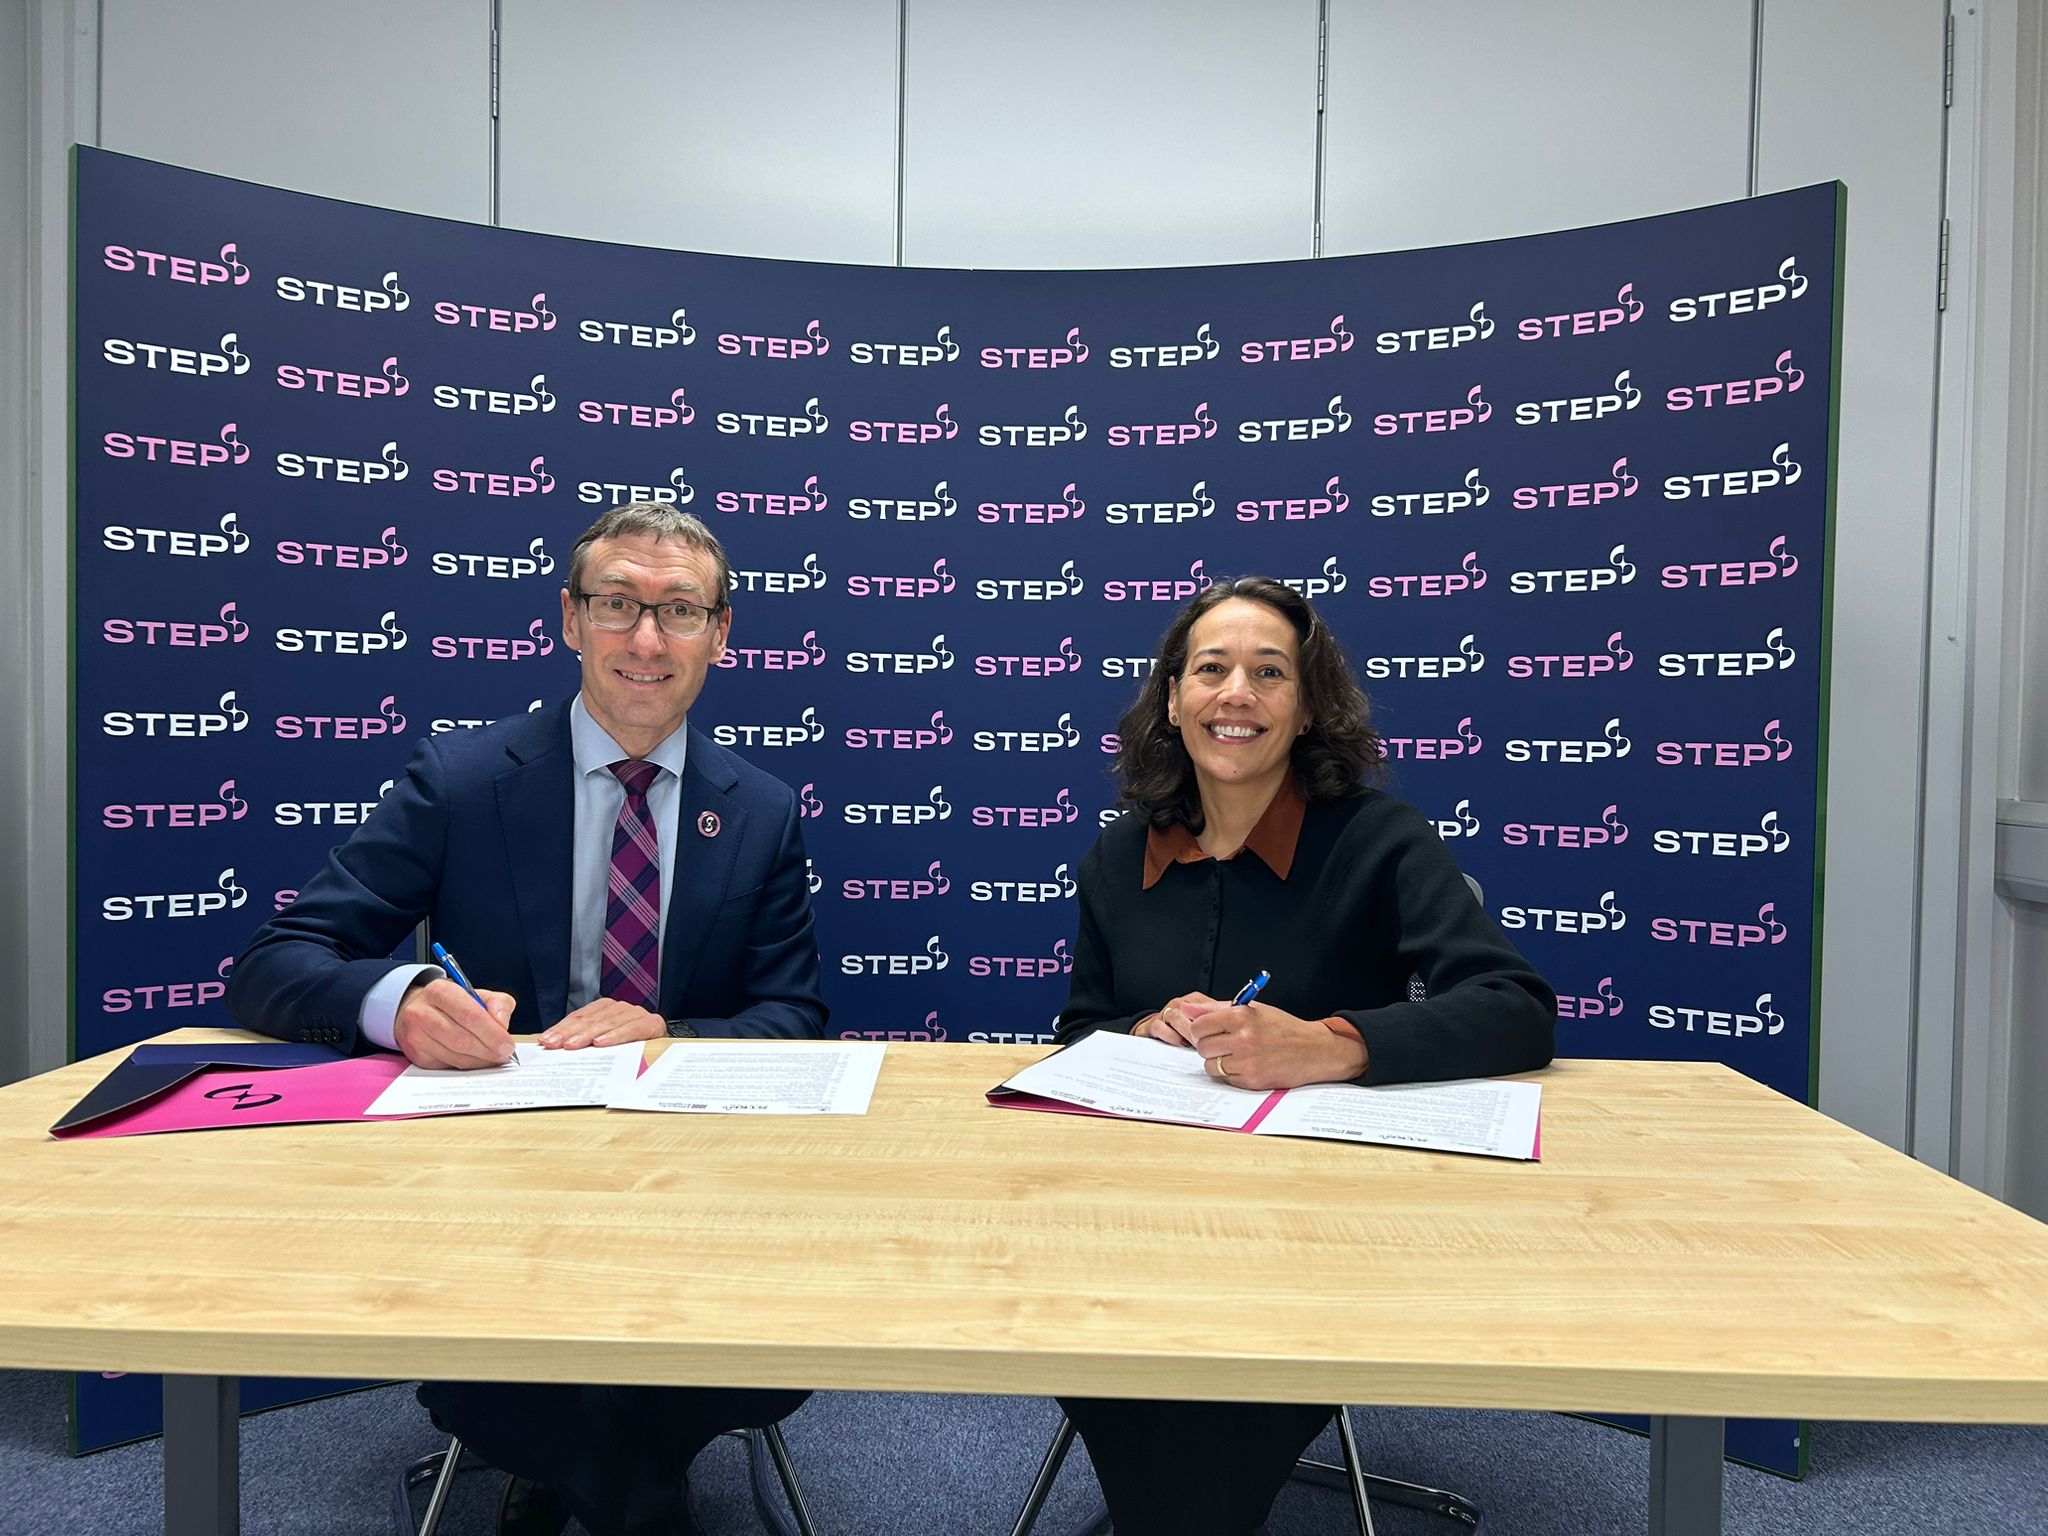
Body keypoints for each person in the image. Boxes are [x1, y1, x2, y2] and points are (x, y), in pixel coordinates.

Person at [227, 503, 825, 1536]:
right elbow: (275, 965)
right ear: (567, 618)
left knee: (642, 1390)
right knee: (592, 1407)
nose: (646, 639)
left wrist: (671, 1031)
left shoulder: (760, 807)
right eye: (616, 605)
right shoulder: (459, 782)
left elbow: (794, 1019)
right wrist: (402, 1002)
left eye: (678, 610)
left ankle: (600, 1482)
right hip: (496, 1219)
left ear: (721, 633)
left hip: (695, 1211)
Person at [1053, 576, 1556, 1536]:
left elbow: (1518, 1009)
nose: (1234, 692)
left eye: (1268, 672)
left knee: (1195, 1455)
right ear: (1173, 698)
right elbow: (1078, 1031)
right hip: (1138, 1235)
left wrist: (1331, 1044)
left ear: (1309, 704)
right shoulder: (1120, 855)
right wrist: (1138, 1030)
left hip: (1316, 1246)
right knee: (1110, 1376)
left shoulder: (1380, 841)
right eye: (1210, 669)